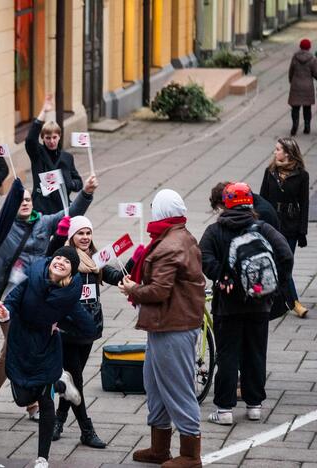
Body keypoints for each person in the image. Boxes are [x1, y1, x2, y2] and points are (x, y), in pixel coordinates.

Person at [0, 166, 98, 420]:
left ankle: (33, 400)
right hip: (11, 300)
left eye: (27, 199)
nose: (24, 203)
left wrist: (86, 193)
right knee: (13, 349)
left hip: (41, 299)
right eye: (20, 199)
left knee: (30, 349)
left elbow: (71, 213)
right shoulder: (3, 223)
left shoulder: (44, 222)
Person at [119, 189, 206, 468]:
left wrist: (134, 288)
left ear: (161, 213)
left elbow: (159, 291)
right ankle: (160, 448)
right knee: (155, 386)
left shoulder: (169, 245)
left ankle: (191, 455)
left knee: (178, 388)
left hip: (173, 327)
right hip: (167, 325)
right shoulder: (179, 235)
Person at [200, 183, 293, 426]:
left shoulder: (214, 231)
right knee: (255, 353)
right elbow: (286, 255)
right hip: (260, 303)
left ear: (226, 203)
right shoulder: (263, 228)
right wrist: (275, 285)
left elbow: (204, 258)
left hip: (227, 306)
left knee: (228, 355)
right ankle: (254, 406)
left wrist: (221, 276)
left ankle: (224, 409)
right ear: (250, 202)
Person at [0, 246, 95, 468]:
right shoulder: (32, 276)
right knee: (22, 398)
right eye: (58, 257)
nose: (60, 262)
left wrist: (60, 324)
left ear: (71, 271)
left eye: (67, 261)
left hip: (46, 348)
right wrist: (6, 312)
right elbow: (12, 299)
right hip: (21, 343)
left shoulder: (69, 295)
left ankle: (43, 458)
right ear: (51, 261)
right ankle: (61, 383)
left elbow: (89, 327)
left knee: (44, 399)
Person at [47, 216, 122, 448]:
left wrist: (136, 264)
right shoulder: (66, 261)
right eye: (80, 233)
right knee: (76, 379)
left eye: (88, 233)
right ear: (71, 236)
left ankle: (58, 420)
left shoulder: (95, 260)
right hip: (68, 330)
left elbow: (114, 275)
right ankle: (86, 430)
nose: (85, 237)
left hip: (89, 330)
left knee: (71, 380)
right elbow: (49, 259)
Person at [260, 137, 310, 317]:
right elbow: (262, 199)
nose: (275, 152)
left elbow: (304, 204)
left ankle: (291, 301)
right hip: (272, 224)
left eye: (278, 149)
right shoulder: (270, 172)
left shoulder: (302, 175)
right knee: (275, 263)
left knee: (284, 263)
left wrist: (302, 231)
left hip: (290, 225)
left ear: (288, 153)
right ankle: (290, 301)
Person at [25, 94, 83, 213]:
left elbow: (78, 183)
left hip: (61, 207)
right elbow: (30, 140)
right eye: (48, 138)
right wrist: (43, 112)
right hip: (41, 206)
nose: (52, 141)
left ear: (59, 136)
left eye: (54, 137)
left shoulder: (67, 157)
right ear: (42, 138)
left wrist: (69, 183)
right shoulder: (38, 153)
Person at [287, 39, 317, 135]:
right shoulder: (312, 59)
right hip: (308, 86)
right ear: (309, 47)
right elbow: (315, 73)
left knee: (295, 108)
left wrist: (291, 80)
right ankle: (307, 126)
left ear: (300, 46)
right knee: (307, 108)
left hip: (296, 85)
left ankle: (295, 125)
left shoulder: (295, 57)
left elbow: (291, 71)